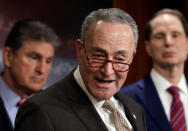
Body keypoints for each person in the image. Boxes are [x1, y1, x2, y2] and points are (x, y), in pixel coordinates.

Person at [15, 8, 147, 131]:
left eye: (119, 59)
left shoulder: (135, 109)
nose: (108, 71)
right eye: (98, 56)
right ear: (80, 51)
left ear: (131, 57)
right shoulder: (41, 111)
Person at [121, 8, 188, 131]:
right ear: (148, 47)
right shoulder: (125, 100)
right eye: (159, 36)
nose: (168, 42)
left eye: (175, 35)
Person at [0, 19, 60, 131]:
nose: (41, 70)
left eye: (48, 61)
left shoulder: (57, 109)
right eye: (34, 57)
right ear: (8, 56)